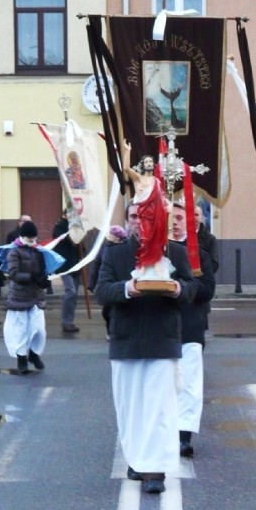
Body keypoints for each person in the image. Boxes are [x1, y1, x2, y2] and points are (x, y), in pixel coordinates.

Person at [95, 210, 196, 494]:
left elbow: (192, 289)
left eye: (147, 216)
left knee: (158, 408)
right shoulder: (114, 254)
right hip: (126, 340)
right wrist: (127, 288)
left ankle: (155, 471)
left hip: (162, 339)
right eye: (135, 216)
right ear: (128, 221)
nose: (140, 222)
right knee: (130, 408)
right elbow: (101, 291)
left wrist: (176, 287)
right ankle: (137, 458)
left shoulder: (174, 251)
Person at [171, 202, 215, 457]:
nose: (175, 222)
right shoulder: (156, 250)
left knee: (189, 385)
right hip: (161, 328)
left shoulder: (197, 253)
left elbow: (208, 289)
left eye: (180, 218)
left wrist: (183, 287)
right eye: (171, 218)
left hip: (190, 326)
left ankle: (184, 435)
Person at [3, 220, 50, 373]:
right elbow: (13, 273)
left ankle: (34, 354)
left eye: (34, 238)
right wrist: (30, 277)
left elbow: (43, 270)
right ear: (23, 237)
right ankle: (21, 359)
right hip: (20, 297)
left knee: (39, 329)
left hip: (36, 295)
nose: (32, 241)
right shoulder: (14, 251)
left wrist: (44, 280)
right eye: (29, 239)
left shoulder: (38, 250)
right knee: (21, 330)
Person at [121, 138, 169, 272]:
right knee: (146, 239)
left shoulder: (157, 181)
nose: (148, 163)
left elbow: (161, 198)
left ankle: (156, 264)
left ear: (153, 165)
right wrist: (127, 151)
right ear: (143, 165)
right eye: (146, 161)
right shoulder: (138, 178)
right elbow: (125, 168)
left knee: (157, 241)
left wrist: (167, 205)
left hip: (157, 215)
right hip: (145, 215)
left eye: (150, 161)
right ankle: (143, 264)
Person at [87, 224, 128, 337]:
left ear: (118, 236)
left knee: (117, 310)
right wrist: (92, 283)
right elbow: (97, 265)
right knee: (106, 311)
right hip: (107, 282)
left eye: (113, 235)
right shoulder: (105, 247)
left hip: (120, 282)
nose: (110, 237)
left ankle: (117, 331)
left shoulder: (125, 247)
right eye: (110, 234)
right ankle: (110, 330)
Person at [53, 209, 82, 333]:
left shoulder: (76, 228)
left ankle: (70, 321)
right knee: (70, 291)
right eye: (71, 215)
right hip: (65, 266)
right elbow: (62, 239)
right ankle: (66, 322)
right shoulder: (60, 227)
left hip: (74, 265)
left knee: (74, 295)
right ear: (65, 215)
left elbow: (79, 244)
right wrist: (71, 229)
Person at [194, 202, 219, 274]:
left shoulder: (210, 239)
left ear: (201, 217)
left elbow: (214, 264)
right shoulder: (181, 237)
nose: (193, 217)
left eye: (196, 215)